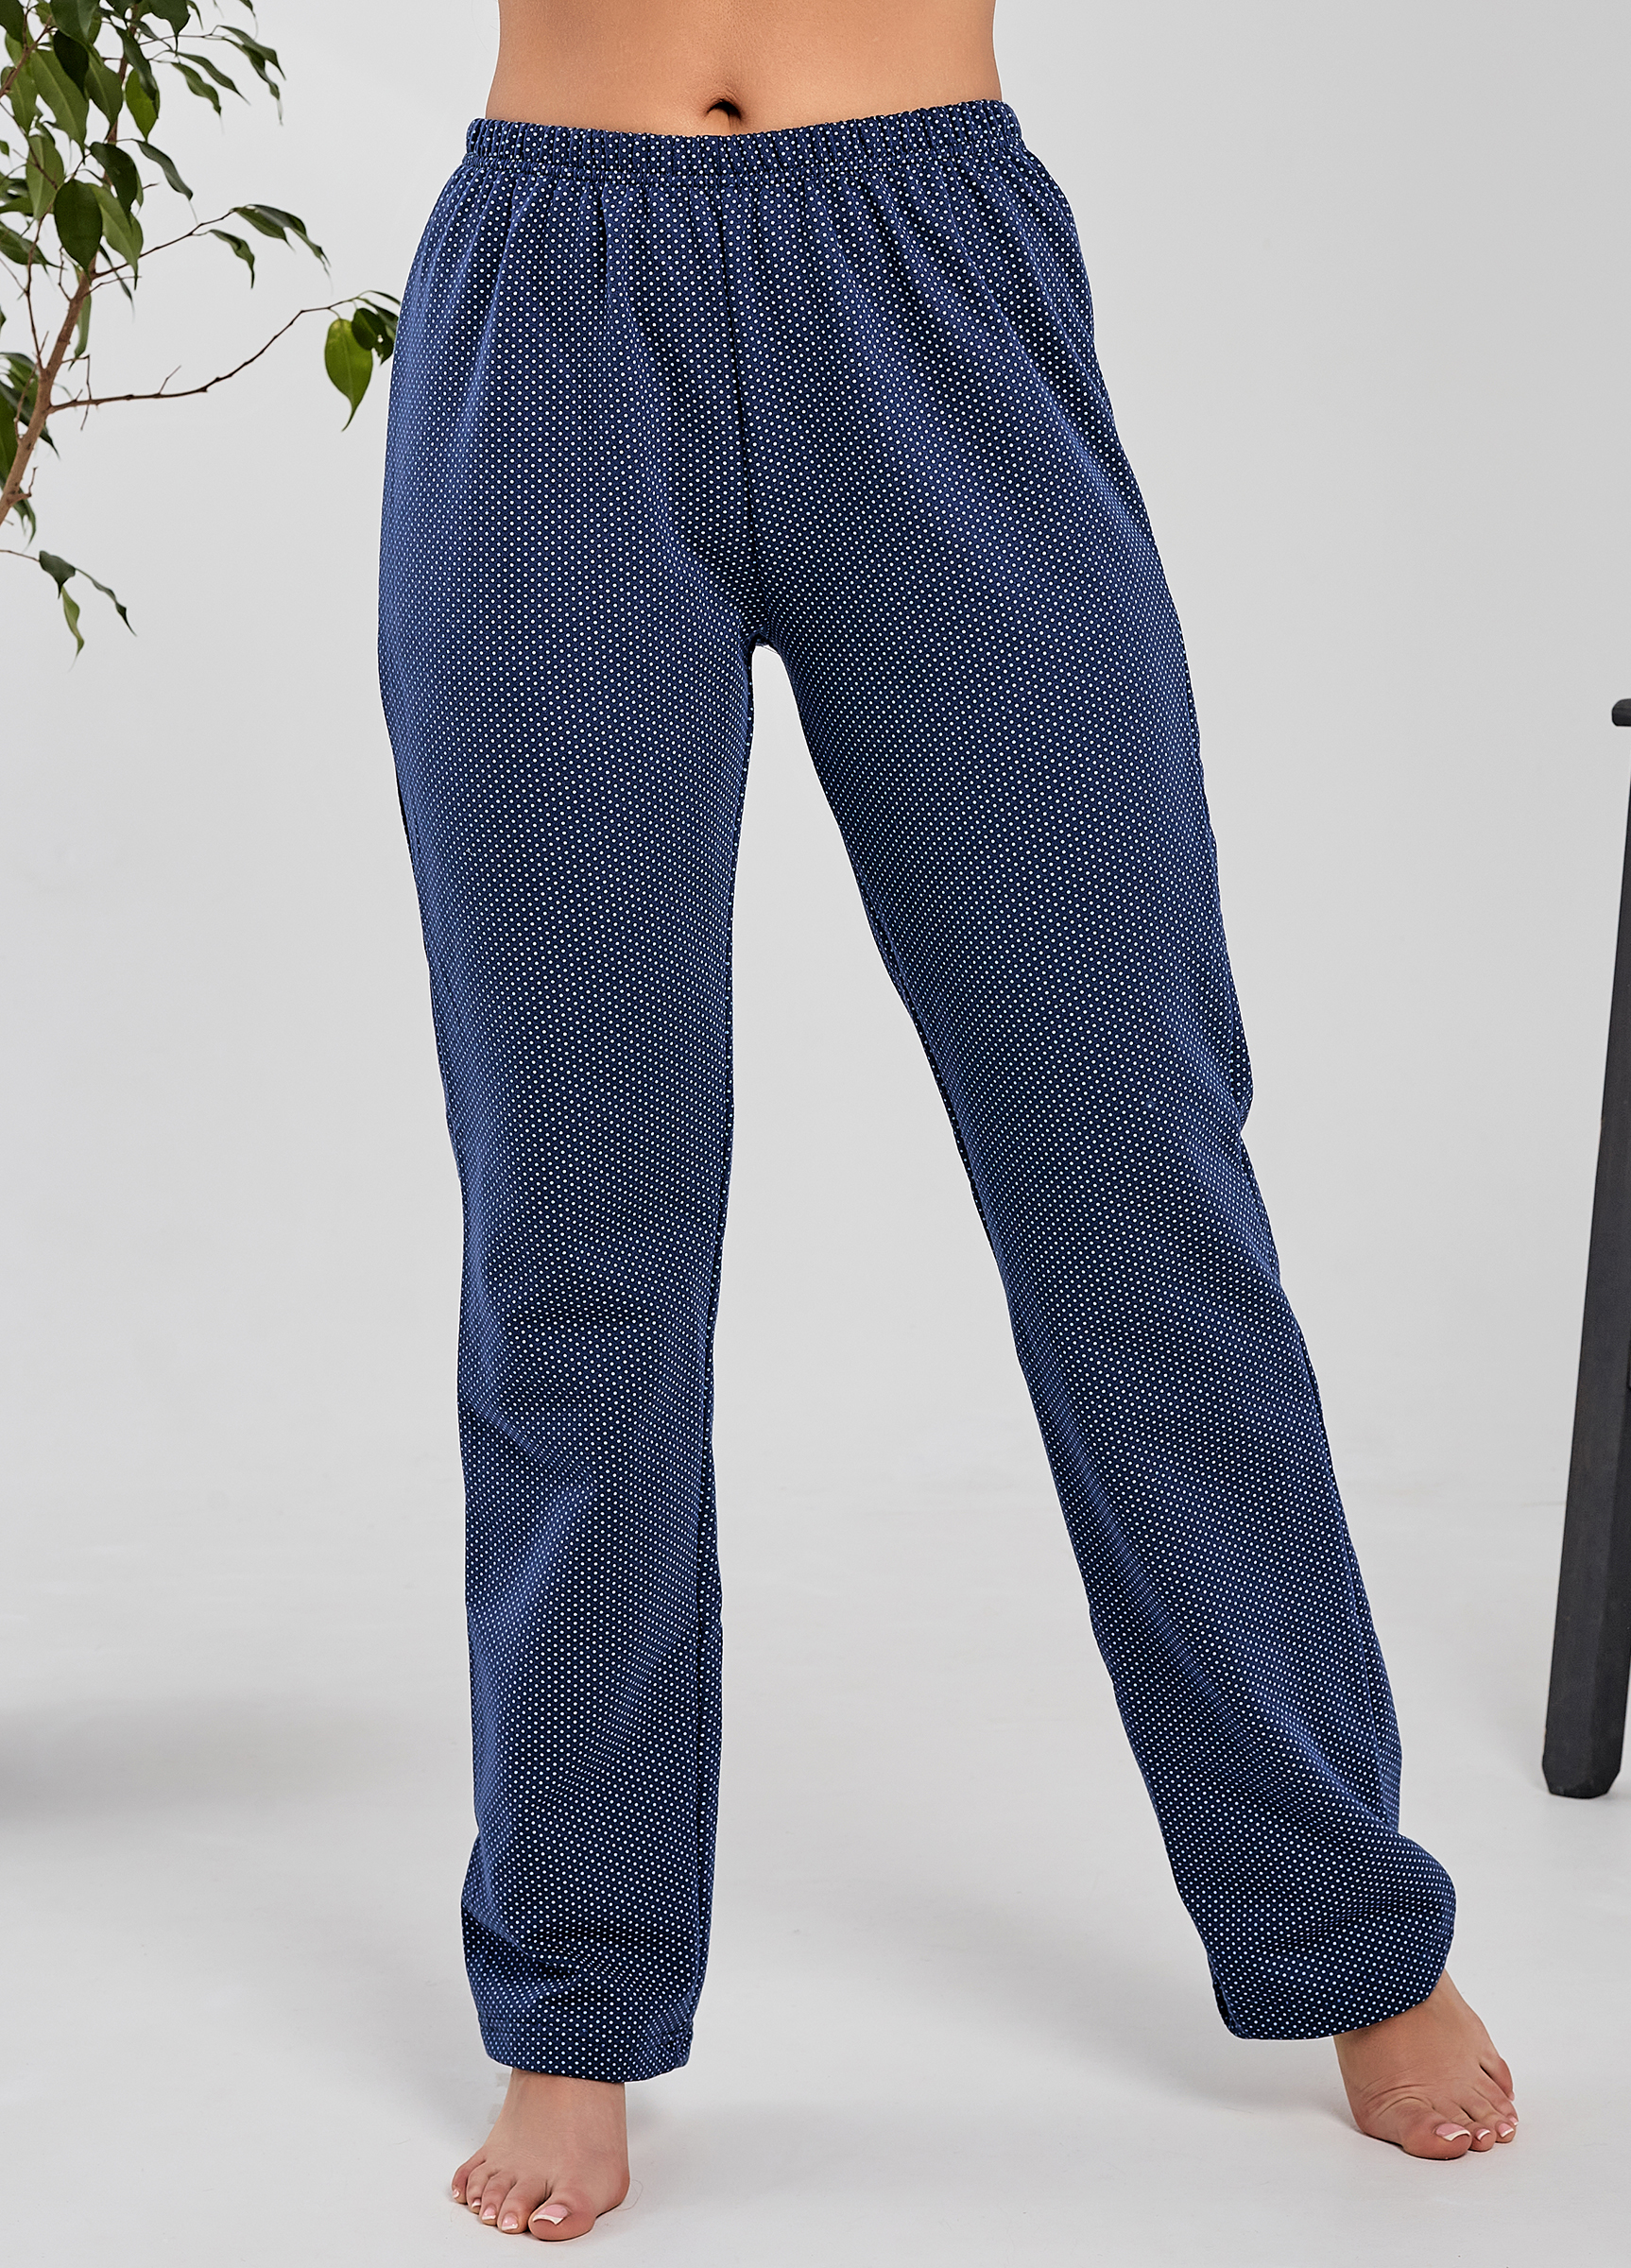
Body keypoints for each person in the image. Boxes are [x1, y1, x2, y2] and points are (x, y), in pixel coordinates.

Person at [377, 0, 1517, 2240]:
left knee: (1132, 1174)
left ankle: (1344, 1925)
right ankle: (574, 1995)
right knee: (575, 1222)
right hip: (550, 304)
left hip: (925, 274)